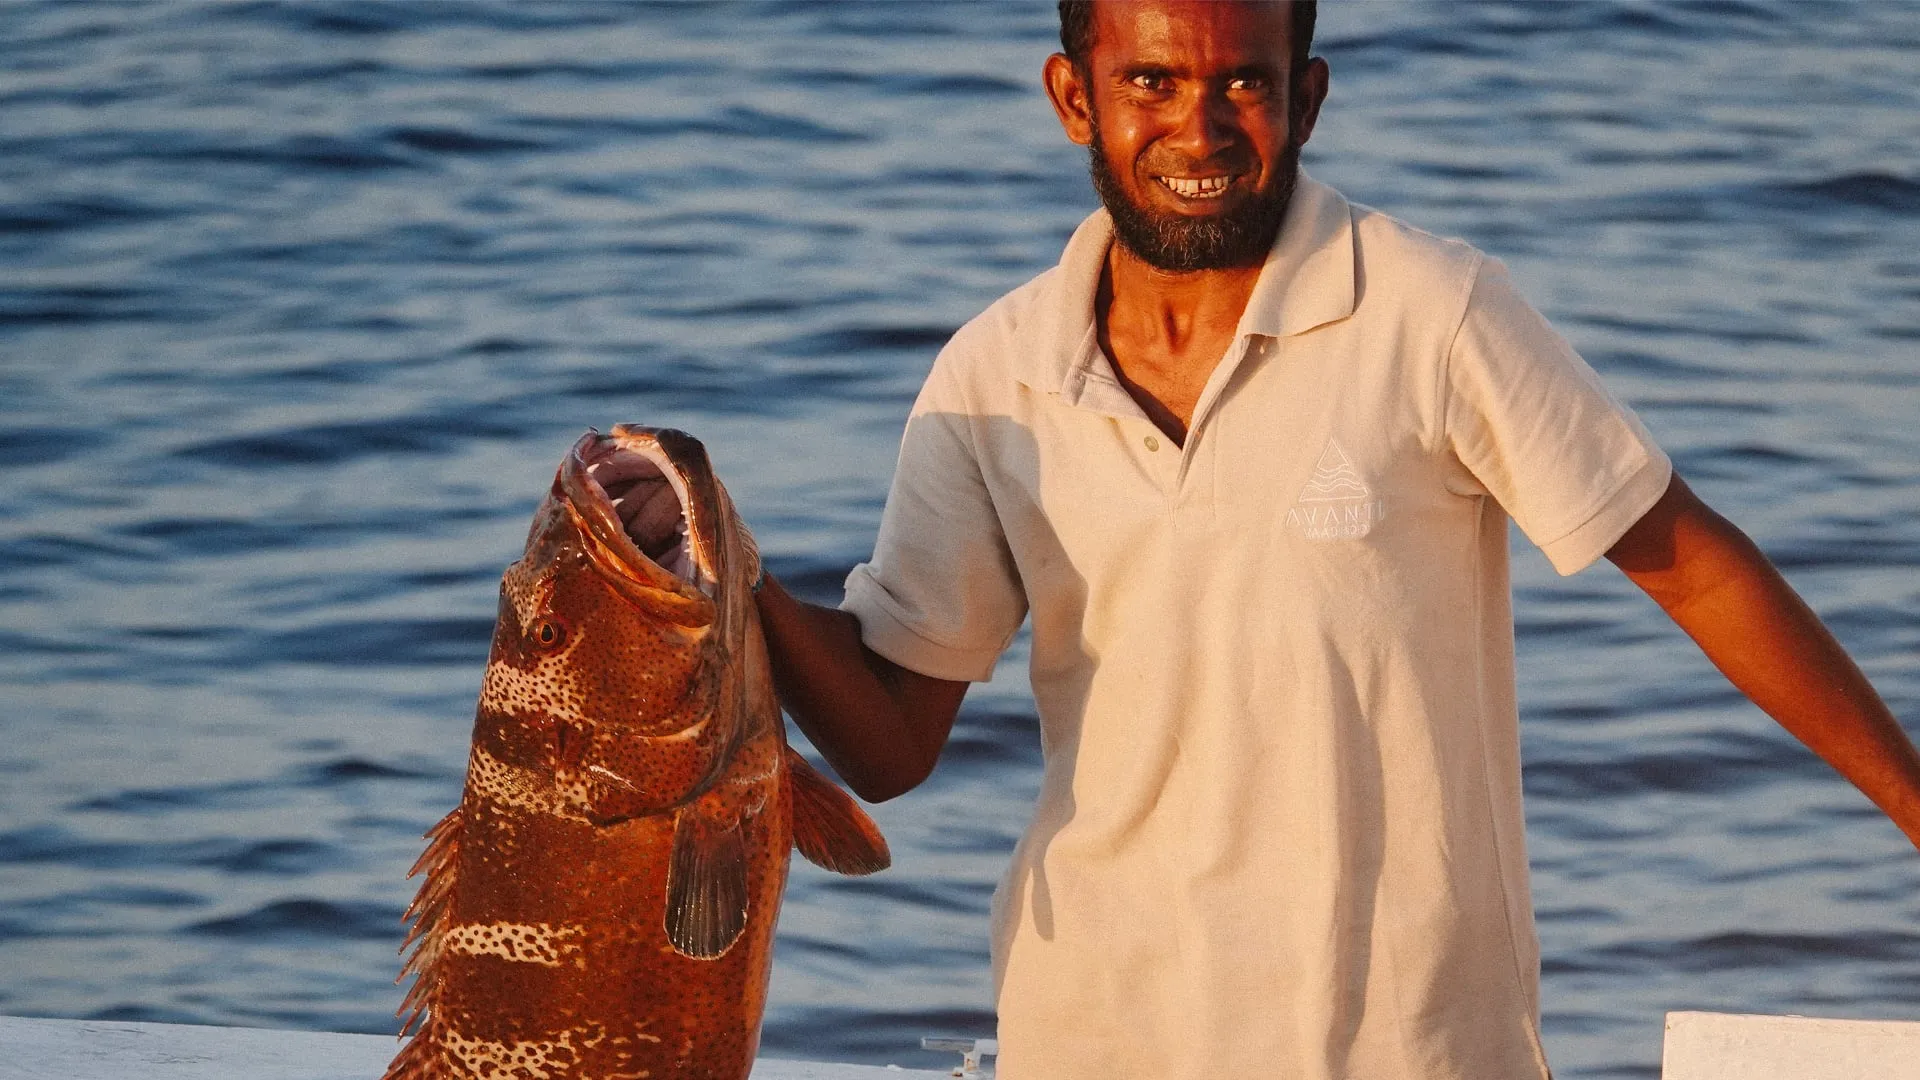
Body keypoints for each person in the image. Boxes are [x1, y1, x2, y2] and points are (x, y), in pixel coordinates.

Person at [751, 2, 1920, 1077]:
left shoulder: (1429, 312)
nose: (1197, 130)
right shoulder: (996, 376)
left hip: (1406, 1046)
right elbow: (893, 742)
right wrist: (731, 576)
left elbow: (1697, 569)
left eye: (1240, 86)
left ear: (1305, 98)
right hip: (1092, 1033)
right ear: (1074, 99)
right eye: (1150, 82)